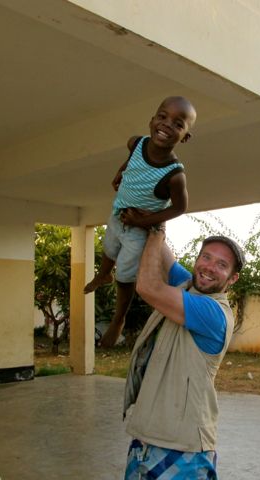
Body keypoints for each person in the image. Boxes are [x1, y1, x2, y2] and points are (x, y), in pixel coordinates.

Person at [123, 228, 244, 479]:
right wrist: (154, 213)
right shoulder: (188, 286)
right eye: (206, 257)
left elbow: (147, 286)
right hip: (146, 438)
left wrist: (155, 236)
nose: (209, 267)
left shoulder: (212, 314)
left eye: (222, 264)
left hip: (183, 449)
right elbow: (164, 255)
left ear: (232, 279)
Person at [84, 96, 197, 348]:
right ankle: (103, 275)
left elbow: (180, 208)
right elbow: (132, 160)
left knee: (125, 273)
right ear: (151, 120)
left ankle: (118, 319)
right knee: (109, 248)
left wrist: (143, 221)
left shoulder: (175, 175)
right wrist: (120, 171)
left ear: (185, 137)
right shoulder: (136, 143)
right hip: (118, 214)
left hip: (140, 228)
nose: (167, 124)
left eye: (178, 124)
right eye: (162, 116)